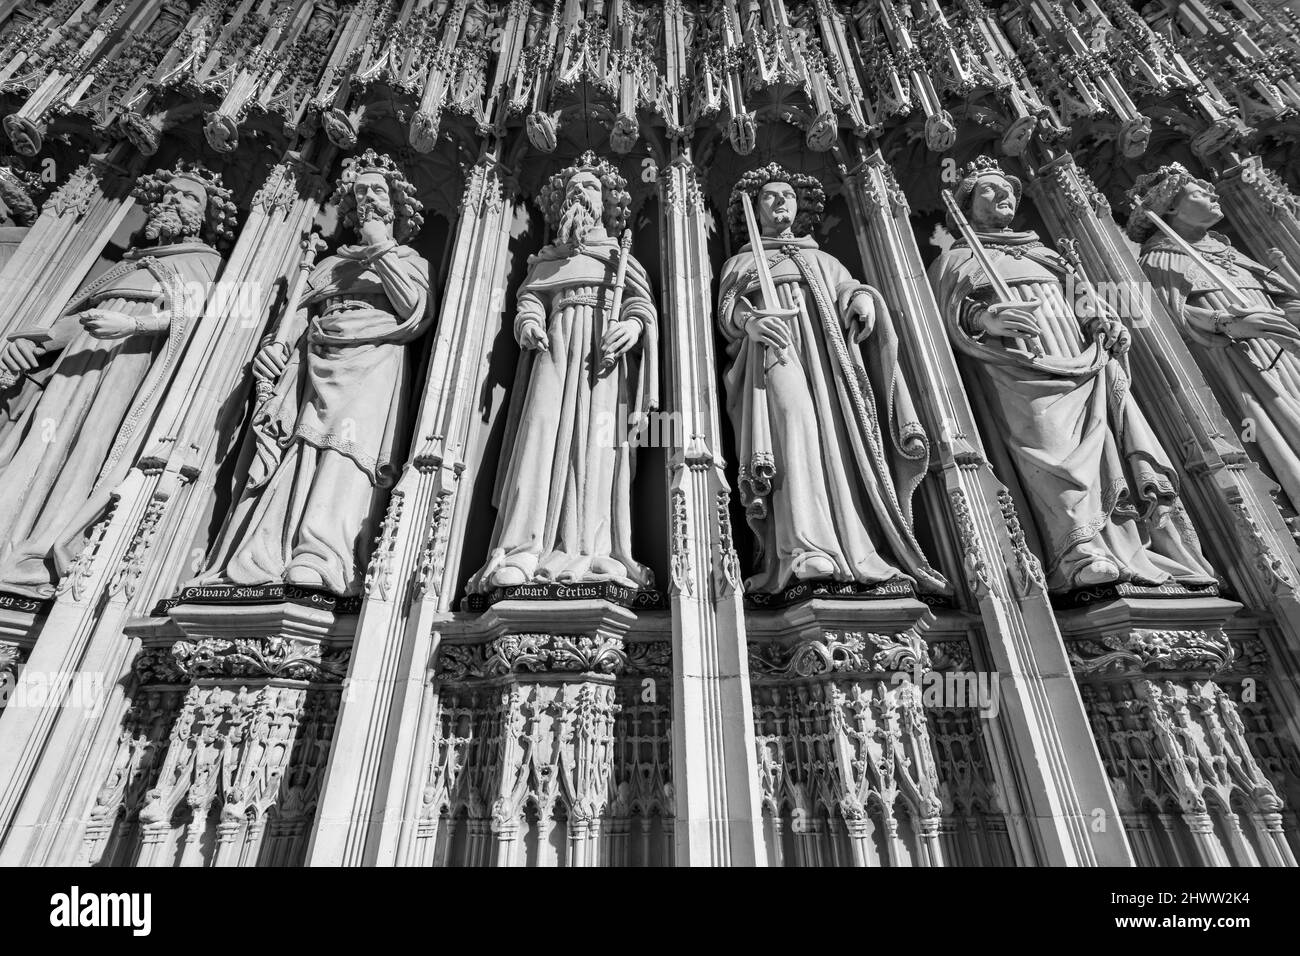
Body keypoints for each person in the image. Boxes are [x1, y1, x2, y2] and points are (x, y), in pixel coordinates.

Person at [928, 156, 1215, 592]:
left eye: (1007, 188)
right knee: (1046, 447)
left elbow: (1083, 301)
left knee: (1105, 455)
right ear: (966, 206)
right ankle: (1077, 553)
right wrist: (985, 320)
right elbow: (943, 313)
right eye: (989, 189)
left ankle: (1124, 547)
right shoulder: (957, 259)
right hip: (1018, 367)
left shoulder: (1042, 252)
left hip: (1082, 361)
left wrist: (1104, 323)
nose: (1004, 194)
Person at [195, 150, 432, 595]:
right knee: (298, 447)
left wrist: (380, 246)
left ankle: (324, 555)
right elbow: (297, 318)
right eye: (359, 191)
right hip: (315, 359)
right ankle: (267, 552)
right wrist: (275, 350)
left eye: (377, 190)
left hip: (373, 360)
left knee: (346, 451)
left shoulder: (412, 262)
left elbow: (414, 312)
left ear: (396, 206)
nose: (367, 197)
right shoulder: (327, 266)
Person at [0, 162, 236, 596]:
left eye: (188, 197)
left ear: (205, 218)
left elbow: (212, 324)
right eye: (169, 193)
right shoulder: (132, 262)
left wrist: (134, 327)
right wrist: (36, 340)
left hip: (127, 372)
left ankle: (41, 555)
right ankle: (8, 544)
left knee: (86, 452)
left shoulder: (208, 263)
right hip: (75, 367)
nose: (173, 200)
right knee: (41, 444)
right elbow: (85, 315)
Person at [717, 163, 946, 594]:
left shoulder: (822, 258)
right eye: (769, 196)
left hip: (829, 363)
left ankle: (852, 545)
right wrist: (749, 322)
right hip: (776, 351)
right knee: (791, 425)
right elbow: (728, 309)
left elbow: (849, 287)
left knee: (839, 444)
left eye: (787, 195)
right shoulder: (743, 260)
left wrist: (861, 299)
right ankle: (802, 545)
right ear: (754, 207)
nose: (780, 201)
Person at [469, 151, 657, 591]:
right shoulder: (545, 260)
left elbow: (641, 305)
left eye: (590, 187)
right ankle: (522, 549)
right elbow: (531, 298)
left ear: (606, 202)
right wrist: (529, 322)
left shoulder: (619, 257)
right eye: (574, 188)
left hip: (602, 360)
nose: (581, 193)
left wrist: (631, 325)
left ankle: (593, 550)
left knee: (596, 445)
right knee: (538, 433)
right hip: (553, 348)